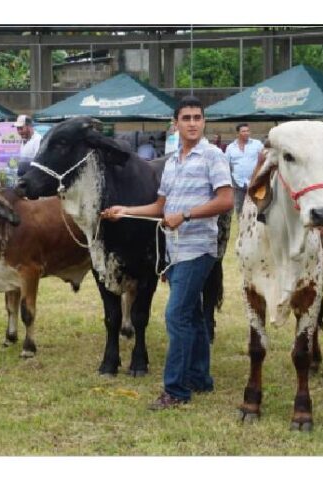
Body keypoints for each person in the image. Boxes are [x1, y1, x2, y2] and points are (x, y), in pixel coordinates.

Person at [100, 96, 233, 409]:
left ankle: (176, 391)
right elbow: (160, 208)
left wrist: (185, 215)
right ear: (176, 124)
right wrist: (125, 210)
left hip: (198, 248)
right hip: (172, 250)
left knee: (175, 317)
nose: (192, 123)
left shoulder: (213, 156)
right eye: (186, 118)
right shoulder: (172, 161)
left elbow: (226, 201)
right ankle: (200, 379)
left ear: (204, 122)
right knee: (194, 316)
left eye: (197, 118)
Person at [225, 123, 263, 215]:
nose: (246, 133)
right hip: (238, 182)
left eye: (247, 131)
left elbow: (264, 157)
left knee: (257, 206)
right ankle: (241, 226)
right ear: (238, 133)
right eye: (243, 131)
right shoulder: (230, 147)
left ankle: (257, 225)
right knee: (239, 207)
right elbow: (226, 164)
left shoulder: (257, 144)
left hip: (255, 181)